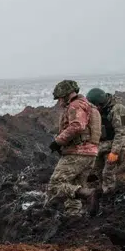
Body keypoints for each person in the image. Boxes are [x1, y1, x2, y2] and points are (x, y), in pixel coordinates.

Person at [45, 80, 102, 220]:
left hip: (78, 152)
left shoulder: (75, 106)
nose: (59, 102)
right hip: (90, 153)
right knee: (74, 186)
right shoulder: (89, 106)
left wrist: (58, 142)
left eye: (59, 98)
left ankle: (89, 194)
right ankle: (74, 217)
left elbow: (77, 126)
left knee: (55, 185)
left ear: (65, 95)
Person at [86, 87, 125, 195]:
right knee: (98, 171)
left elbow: (122, 131)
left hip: (115, 146)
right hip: (100, 146)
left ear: (100, 103)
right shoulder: (97, 111)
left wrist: (114, 152)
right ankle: (104, 191)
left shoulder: (119, 110)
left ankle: (110, 194)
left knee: (107, 173)